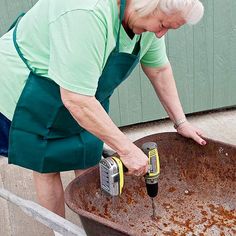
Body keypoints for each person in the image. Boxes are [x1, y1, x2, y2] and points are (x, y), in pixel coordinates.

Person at [0, 0, 206, 233]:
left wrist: (181, 122)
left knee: (88, 154)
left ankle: (93, 224)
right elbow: (77, 99)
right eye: (161, 24)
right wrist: (127, 150)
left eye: (169, 28)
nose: (161, 34)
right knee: (47, 165)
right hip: (34, 85)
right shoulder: (86, 12)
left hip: (84, 92)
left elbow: (159, 69)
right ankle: (60, 231)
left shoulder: (150, 23)